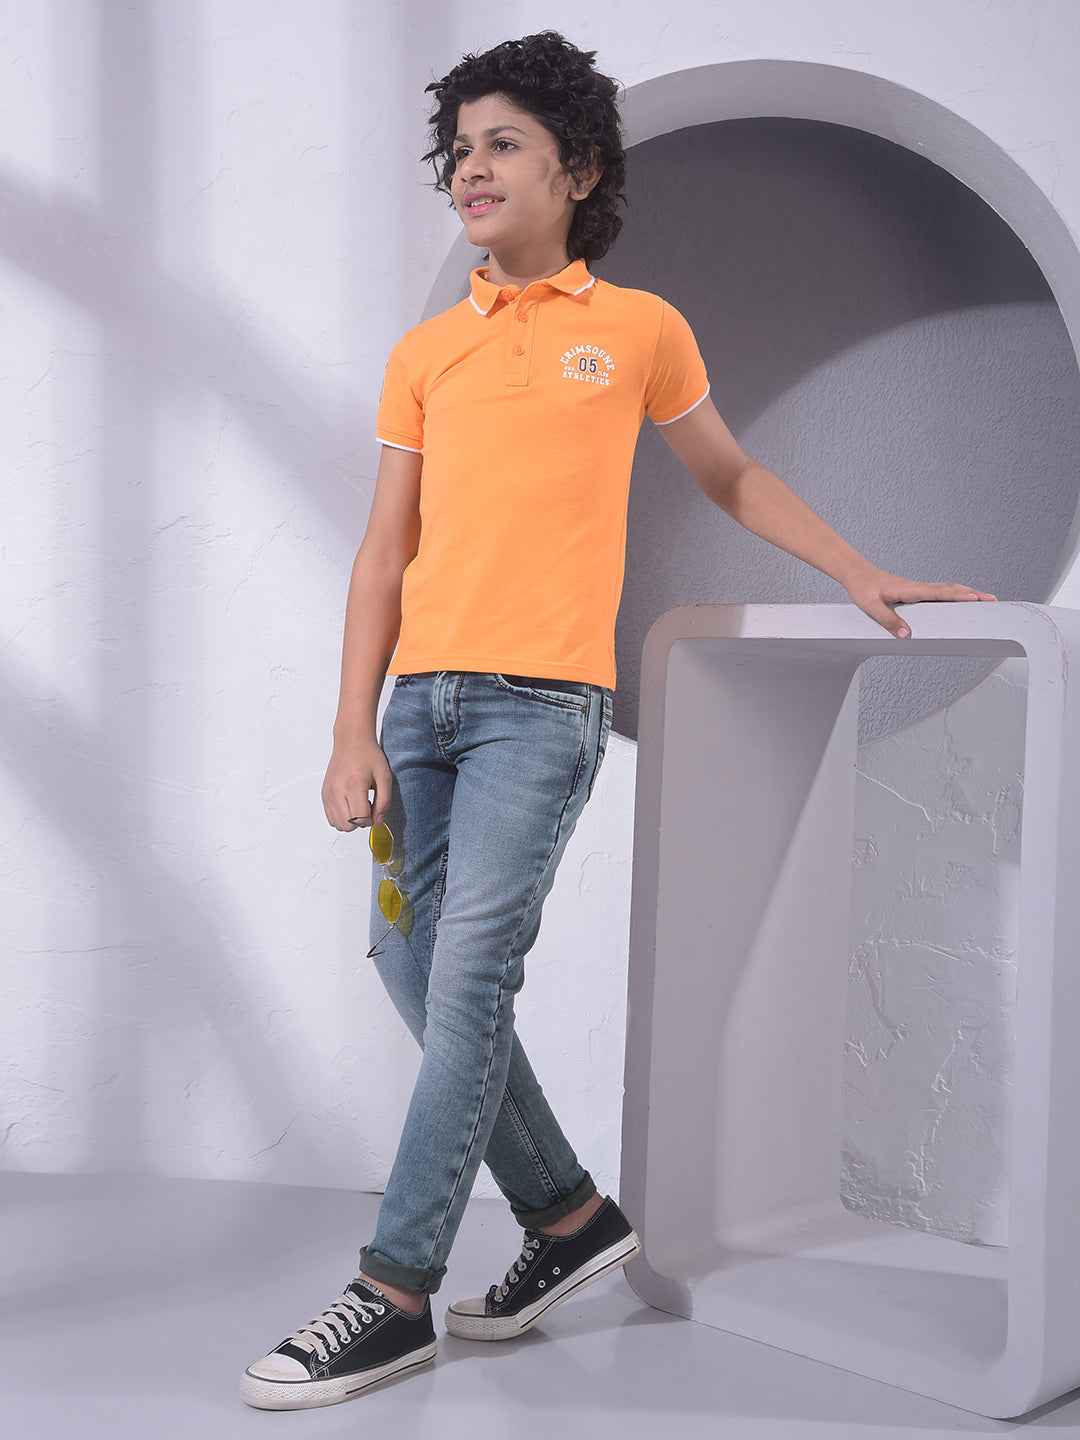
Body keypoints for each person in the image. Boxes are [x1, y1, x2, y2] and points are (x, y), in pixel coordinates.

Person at [242, 28, 998, 1412]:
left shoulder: (638, 329)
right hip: (420, 710)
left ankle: (394, 1292)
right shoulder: (426, 352)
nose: (472, 169)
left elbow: (730, 475)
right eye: (459, 150)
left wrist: (856, 568)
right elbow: (384, 550)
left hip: (543, 709)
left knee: (470, 978)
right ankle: (572, 1218)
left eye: (504, 144)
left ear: (578, 170)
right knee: (406, 963)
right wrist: (351, 729)